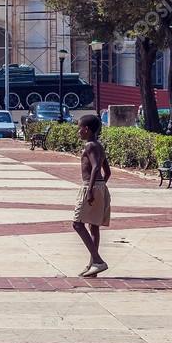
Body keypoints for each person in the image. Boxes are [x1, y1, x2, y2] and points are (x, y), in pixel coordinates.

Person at [72, 114, 111, 277]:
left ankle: (97, 261)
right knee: (93, 226)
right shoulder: (98, 145)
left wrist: (91, 190)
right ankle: (92, 266)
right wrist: (101, 187)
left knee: (77, 224)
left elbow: (96, 168)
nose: (78, 131)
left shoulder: (89, 146)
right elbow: (107, 171)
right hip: (100, 186)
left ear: (86, 129)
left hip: (91, 186)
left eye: (79, 128)